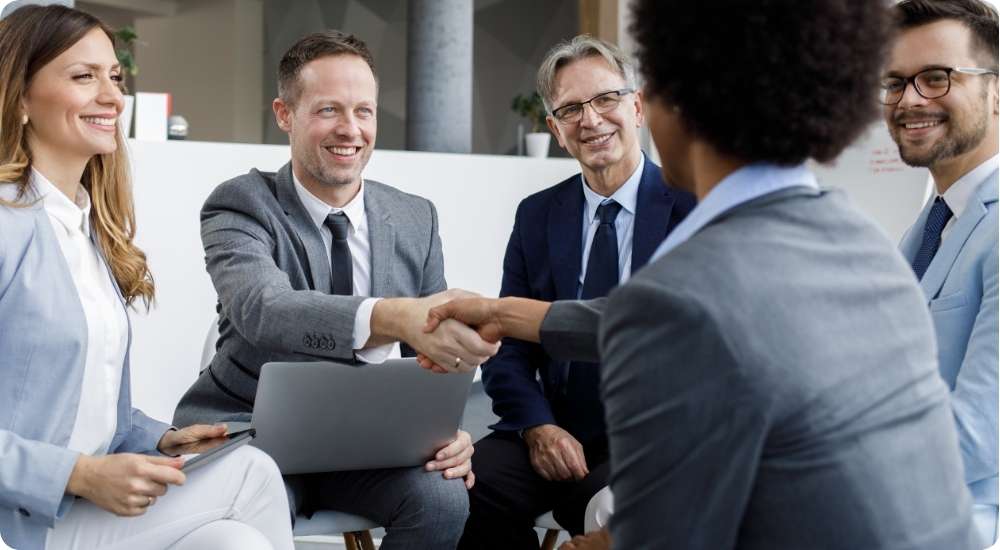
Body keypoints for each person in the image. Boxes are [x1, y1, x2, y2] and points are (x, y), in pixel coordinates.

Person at [422, 0, 981, 548]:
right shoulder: (872, 250)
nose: (592, 119)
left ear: (658, 108)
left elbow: (658, 528)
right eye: (573, 110)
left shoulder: (688, 290)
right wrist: (497, 313)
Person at [171, 30, 494, 549]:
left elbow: (433, 357)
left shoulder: (416, 217)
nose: (351, 130)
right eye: (328, 110)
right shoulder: (241, 204)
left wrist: (447, 432)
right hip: (250, 433)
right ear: (284, 114)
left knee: (443, 498)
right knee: (244, 525)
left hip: (371, 445)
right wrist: (391, 315)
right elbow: (263, 309)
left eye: (364, 111)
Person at [0, 5, 293, 550]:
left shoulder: (85, 228)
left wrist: (163, 438)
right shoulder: (6, 225)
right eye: (83, 76)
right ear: (19, 98)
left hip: (79, 506)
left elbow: (81, 406)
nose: (112, 96)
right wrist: (78, 474)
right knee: (252, 475)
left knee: (235, 543)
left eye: (114, 76)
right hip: (23, 518)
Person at [458, 35, 694, 549]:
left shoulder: (693, 208)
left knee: (620, 522)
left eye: (606, 99)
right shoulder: (537, 215)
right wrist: (537, 426)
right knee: (457, 493)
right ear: (556, 131)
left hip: (648, 441)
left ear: (636, 107)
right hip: (551, 428)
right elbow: (507, 345)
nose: (590, 119)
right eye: (569, 109)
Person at [882, 0, 999, 545]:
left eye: (936, 78)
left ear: (996, 91)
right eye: (896, 82)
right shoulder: (930, 222)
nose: (908, 100)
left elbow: (977, 436)